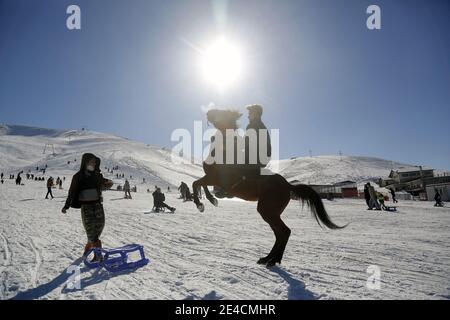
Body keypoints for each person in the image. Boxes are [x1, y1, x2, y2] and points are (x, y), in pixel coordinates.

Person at [61, 153, 113, 257]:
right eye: (91, 161)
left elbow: (104, 183)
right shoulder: (78, 176)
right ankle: (98, 256)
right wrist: (66, 206)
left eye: (94, 162)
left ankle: (88, 249)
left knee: (98, 229)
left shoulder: (97, 175)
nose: (93, 163)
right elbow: (72, 192)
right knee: (91, 231)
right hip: (86, 208)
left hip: (98, 205)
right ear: (85, 162)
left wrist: (109, 183)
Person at [244, 104, 272, 173]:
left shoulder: (253, 125)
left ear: (256, 114)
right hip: (262, 160)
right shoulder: (261, 125)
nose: (248, 116)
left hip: (254, 160)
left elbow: (246, 145)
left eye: (250, 113)